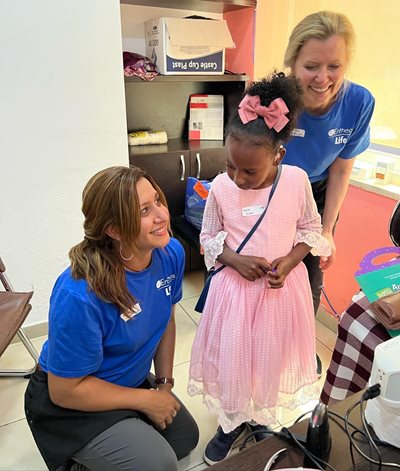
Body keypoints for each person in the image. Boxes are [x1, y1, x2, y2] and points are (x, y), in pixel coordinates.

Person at [187, 72, 331, 466]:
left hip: (281, 294)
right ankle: (230, 423)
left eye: (250, 171)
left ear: (278, 156)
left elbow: (310, 228)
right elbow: (209, 237)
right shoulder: (220, 187)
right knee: (235, 358)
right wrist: (233, 259)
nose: (239, 177)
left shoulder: (297, 181)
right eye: (232, 165)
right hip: (234, 293)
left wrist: (291, 259)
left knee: (272, 358)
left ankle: (262, 416)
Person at [24, 166, 199, 471]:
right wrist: (145, 402)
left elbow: (165, 323)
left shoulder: (170, 253)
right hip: (72, 401)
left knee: (185, 438)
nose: (161, 215)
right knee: (159, 464)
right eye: (145, 210)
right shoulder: (79, 295)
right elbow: (64, 390)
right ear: (114, 230)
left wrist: (164, 386)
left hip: (127, 381)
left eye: (157, 200)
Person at [283, 11, 375, 323]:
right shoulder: (272, 99)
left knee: (310, 276)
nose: (323, 78)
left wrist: (326, 230)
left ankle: (298, 352)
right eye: (311, 67)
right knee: (268, 270)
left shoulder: (359, 103)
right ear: (293, 64)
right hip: (272, 189)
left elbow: (340, 170)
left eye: (334, 66)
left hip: (318, 193)